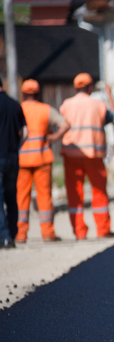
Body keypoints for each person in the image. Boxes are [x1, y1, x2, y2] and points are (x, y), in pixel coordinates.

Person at [59, 73, 114, 239]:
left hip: (71, 155)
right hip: (94, 155)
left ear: (76, 88)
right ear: (90, 88)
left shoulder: (66, 105)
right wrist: (110, 96)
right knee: (99, 192)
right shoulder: (99, 105)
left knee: (74, 194)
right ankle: (103, 230)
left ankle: (79, 232)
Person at [15, 80, 70, 243]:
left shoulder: (18, 109)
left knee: (21, 197)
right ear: (38, 94)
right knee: (44, 196)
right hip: (42, 158)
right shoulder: (45, 110)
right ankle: (47, 233)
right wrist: (53, 137)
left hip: (22, 159)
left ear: (23, 94)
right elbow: (65, 124)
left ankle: (20, 233)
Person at [0, 76, 28, 248]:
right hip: (13, 157)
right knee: (11, 196)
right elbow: (25, 132)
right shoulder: (15, 104)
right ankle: (13, 232)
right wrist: (17, 148)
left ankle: (4, 237)